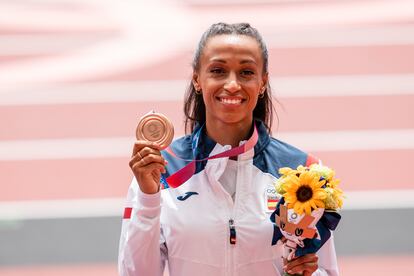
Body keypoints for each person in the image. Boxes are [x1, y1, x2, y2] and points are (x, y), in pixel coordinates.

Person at [118, 22, 339, 276]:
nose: (232, 84)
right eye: (218, 70)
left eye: (246, 72)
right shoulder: (163, 171)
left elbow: (326, 270)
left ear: (263, 82)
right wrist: (148, 199)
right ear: (197, 79)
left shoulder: (304, 174)